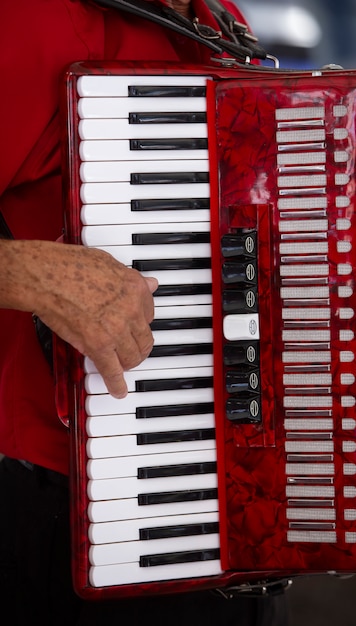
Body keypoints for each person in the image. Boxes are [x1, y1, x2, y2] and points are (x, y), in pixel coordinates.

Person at [0, 1, 289, 624]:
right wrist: (34, 275)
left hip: (231, 521)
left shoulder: (218, 22)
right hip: (74, 517)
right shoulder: (29, 19)